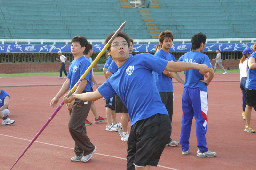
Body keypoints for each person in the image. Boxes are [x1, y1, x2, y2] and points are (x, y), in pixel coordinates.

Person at [64, 32, 213, 169]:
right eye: (115, 44)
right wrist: (75, 96)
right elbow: (93, 95)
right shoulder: (113, 80)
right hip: (136, 125)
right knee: (134, 166)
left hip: (155, 119)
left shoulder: (141, 59)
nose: (121, 46)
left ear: (129, 48)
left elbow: (171, 66)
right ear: (108, 52)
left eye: (124, 43)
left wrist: (197, 66)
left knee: (140, 166)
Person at [50, 36, 96, 163]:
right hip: (74, 95)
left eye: (76, 45)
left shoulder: (85, 62)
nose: (72, 47)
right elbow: (68, 81)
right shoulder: (73, 63)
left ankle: (89, 148)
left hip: (83, 95)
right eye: (72, 45)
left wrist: (73, 97)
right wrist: (57, 97)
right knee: (79, 125)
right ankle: (79, 152)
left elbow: (83, 82)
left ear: (83, 48)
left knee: (73, 126)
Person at [178, 32, 216, 158]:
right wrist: (207, 81)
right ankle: (202, 149)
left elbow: (175, 68)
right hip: (198, 91)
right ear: (201, 44)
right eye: (204, 44)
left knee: (186, 119)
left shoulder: (185, 55)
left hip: (186, 91)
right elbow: (210, 71)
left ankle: (184, 147)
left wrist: (182, 81)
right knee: (201, 119)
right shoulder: (202, 57)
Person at [153, 30, 184, 147]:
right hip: (159, 89)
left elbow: (175, 70)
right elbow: (166, 71)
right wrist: (181, 81)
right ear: (161, 42)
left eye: (170, 41)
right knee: (159, 115)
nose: (168, 43)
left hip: (168, 89)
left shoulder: (170, 56)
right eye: (166, 41)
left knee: (168, 115)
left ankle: (166, 138)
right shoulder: (158, 55)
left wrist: (182, 81)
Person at [106, 37, 134, 141]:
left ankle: (122, 127)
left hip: (133, 92)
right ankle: (124, 133)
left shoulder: (134, 59)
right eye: (128, 45)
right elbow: (108, 72)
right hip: (123, 92)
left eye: (130, 45)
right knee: (125, 113)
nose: (130, 47)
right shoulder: (118, 60)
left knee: (132, 113)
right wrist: (117, 84)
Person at [84, 44, 106, 125]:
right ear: (89, 50)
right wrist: (95, 83)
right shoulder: (84, 60)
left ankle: (96, 117)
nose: (92, 51)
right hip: (85, 85)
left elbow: (90, 73)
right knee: (85, 102)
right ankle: (83, 119)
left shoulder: (89, 59)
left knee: (91, 101)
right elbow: (87, 74)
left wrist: (94, 83)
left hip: (88, 84)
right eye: (92, 49)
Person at [103, 50, 120, 132]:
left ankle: (114, 122)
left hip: (114, 85)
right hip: (111, 85)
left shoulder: (114, 58)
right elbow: (105, 70)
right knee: (109, 105)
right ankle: (108, 124)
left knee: (113, 105)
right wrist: (110, 81)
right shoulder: (110, 58)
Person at [244, 44, 256, 133]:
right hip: (252, 85)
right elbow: (251, 65)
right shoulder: (253, 56)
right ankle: (247, 126)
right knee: (249, 105)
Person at [239, 47, 253, 120]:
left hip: (242, 80)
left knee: (245, 98)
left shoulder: (241, 62)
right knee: (252, 97)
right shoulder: (250, 61)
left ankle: (244, 113)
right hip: (248, 80)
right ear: (248, 54)